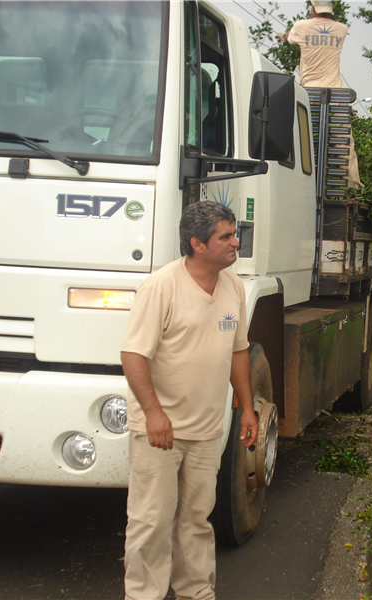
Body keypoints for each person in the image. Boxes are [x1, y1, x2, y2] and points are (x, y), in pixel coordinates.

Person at [120, 201, 259, 600]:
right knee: (151, 521)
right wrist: (153, 414)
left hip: (206, 429)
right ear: (198, 243)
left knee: (196, 520)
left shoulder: (233, 286)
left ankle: (196, 592)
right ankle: (143, 595)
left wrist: (246, 408)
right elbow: (133, 354)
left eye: (235, 234)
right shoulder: (162, 286)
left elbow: (238, 352)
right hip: (160, 430)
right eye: (226, 237)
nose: (236, 243)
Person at [278, 0, 361, 188]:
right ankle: (353, 185)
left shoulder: (301, 26)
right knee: (344, 142)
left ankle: (297, 181)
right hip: (336, 92)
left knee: (303, 137)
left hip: (310, 92)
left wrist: (284, 35)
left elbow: (289, 38)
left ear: (312, 7)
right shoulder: (341, 29)